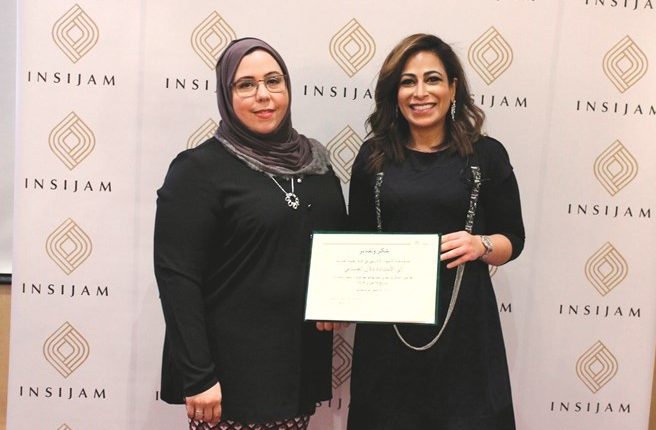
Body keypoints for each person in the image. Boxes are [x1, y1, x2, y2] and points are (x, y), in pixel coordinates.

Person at [154, 37, 347, 430]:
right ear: (226, 96)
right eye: (246, 85)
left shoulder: (317, 166)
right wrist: (198, 375)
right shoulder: (198, 170)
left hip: (295, 364)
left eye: (274, 81)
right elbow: (177, 278)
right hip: (228, 375)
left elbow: (339, 250)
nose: (263, 95)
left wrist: (341, 298)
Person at [347, 34, 525, 430]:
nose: (420, 92)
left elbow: (514, 239)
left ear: (453, 88)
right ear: (394, 93)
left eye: (432, 79)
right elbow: (355, 240)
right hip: (388, 334)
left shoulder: (487, 155)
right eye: (407, 82)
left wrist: (480, 245)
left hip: (466, 330)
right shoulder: (373, 157)